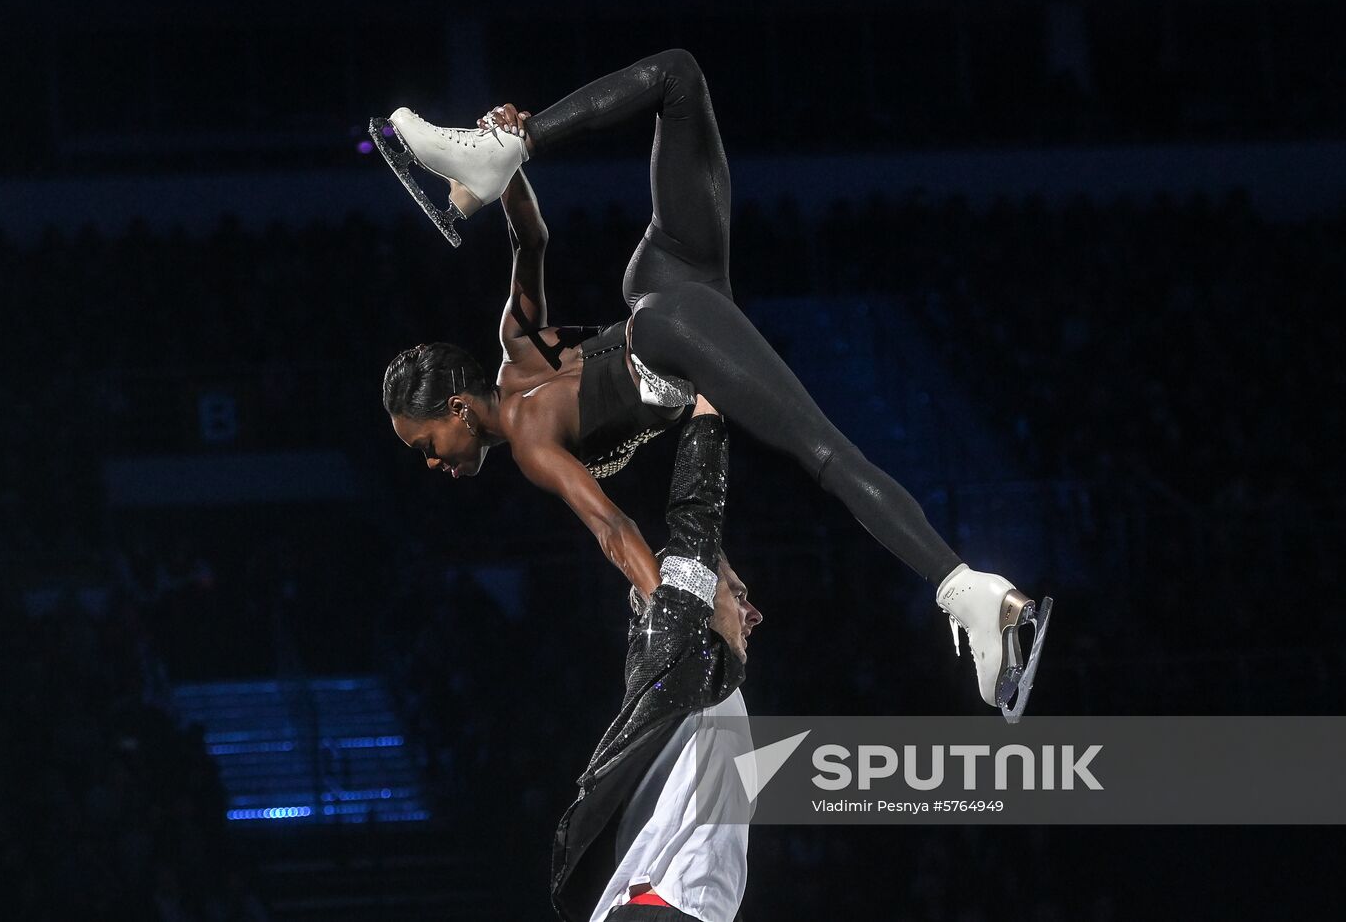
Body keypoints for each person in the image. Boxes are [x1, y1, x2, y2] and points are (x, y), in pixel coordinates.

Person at [377, 50, 1050, 717]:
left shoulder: (527, 442)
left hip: (668, 330)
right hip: (668, 279)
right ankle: (510, 143)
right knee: (677, 75)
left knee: (823, 453)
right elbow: (531, 238)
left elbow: (613, 528)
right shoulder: (516, 344)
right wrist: (511, 161)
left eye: (426, 444)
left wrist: (669, 618)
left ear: (459, 408)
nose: (434, 462)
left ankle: (966, 591)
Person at [552, 399, 759, 922]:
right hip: (661, 910)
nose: (753, 612)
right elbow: (696, 513)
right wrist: (708, 408)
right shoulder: (679, 655)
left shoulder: (700, 687)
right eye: (735, 593)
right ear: (686, 600)